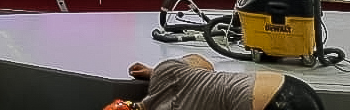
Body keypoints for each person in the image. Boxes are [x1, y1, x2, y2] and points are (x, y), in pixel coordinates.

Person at [126, 54, 325, 110]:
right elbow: (204, 63)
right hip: (292, 87)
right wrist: (153, 72)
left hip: (261, 102)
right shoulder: (165, 71)